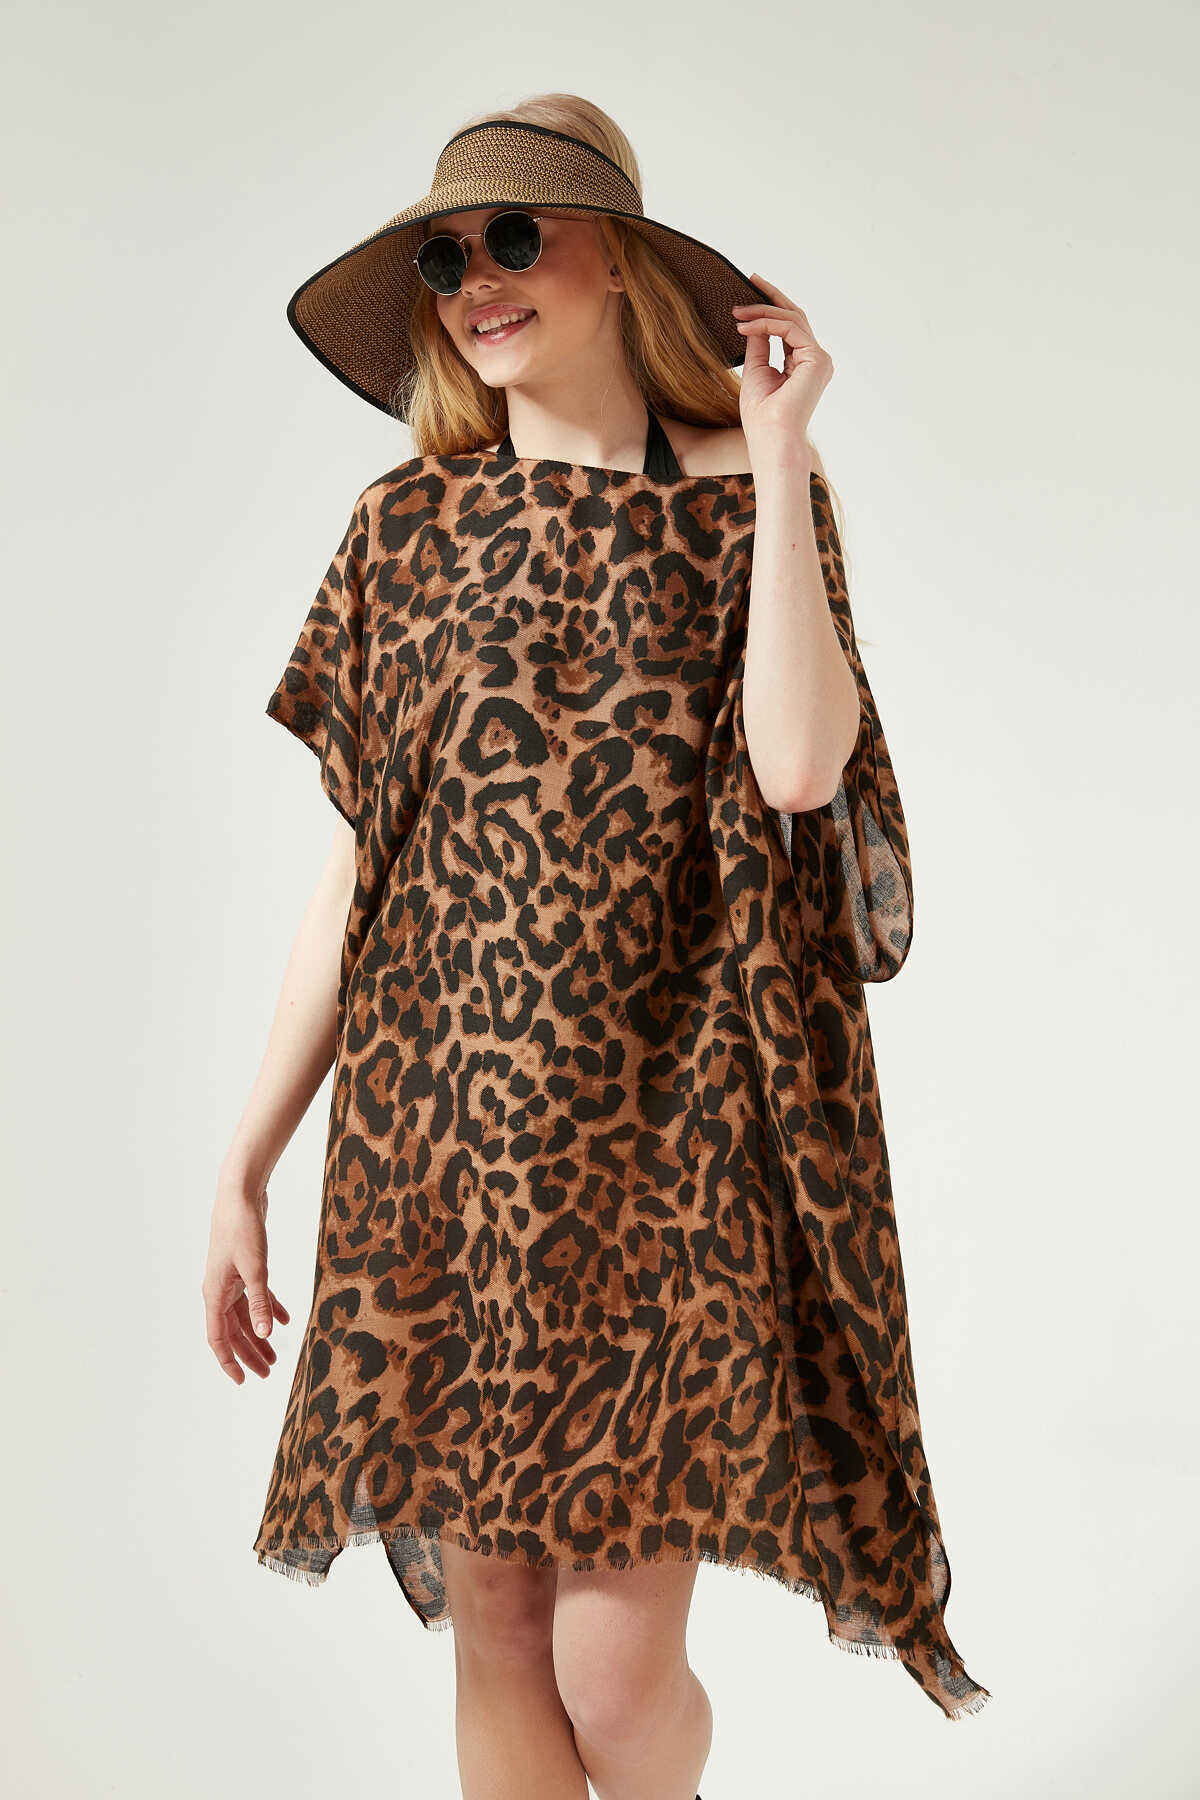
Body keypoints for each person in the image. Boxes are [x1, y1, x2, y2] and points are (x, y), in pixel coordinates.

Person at [203, 93, 991, 1800]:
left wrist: (778, 452)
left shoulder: (752, 495)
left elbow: (800, 768)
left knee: (613, 1681)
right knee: (495, 1634)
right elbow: (357, 883)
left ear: (619, 258)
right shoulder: (402, 533)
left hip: (668, 1146)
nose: (477, 282)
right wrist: (246, 1163)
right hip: (442, 1149)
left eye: (514, 236)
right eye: (444, 257)